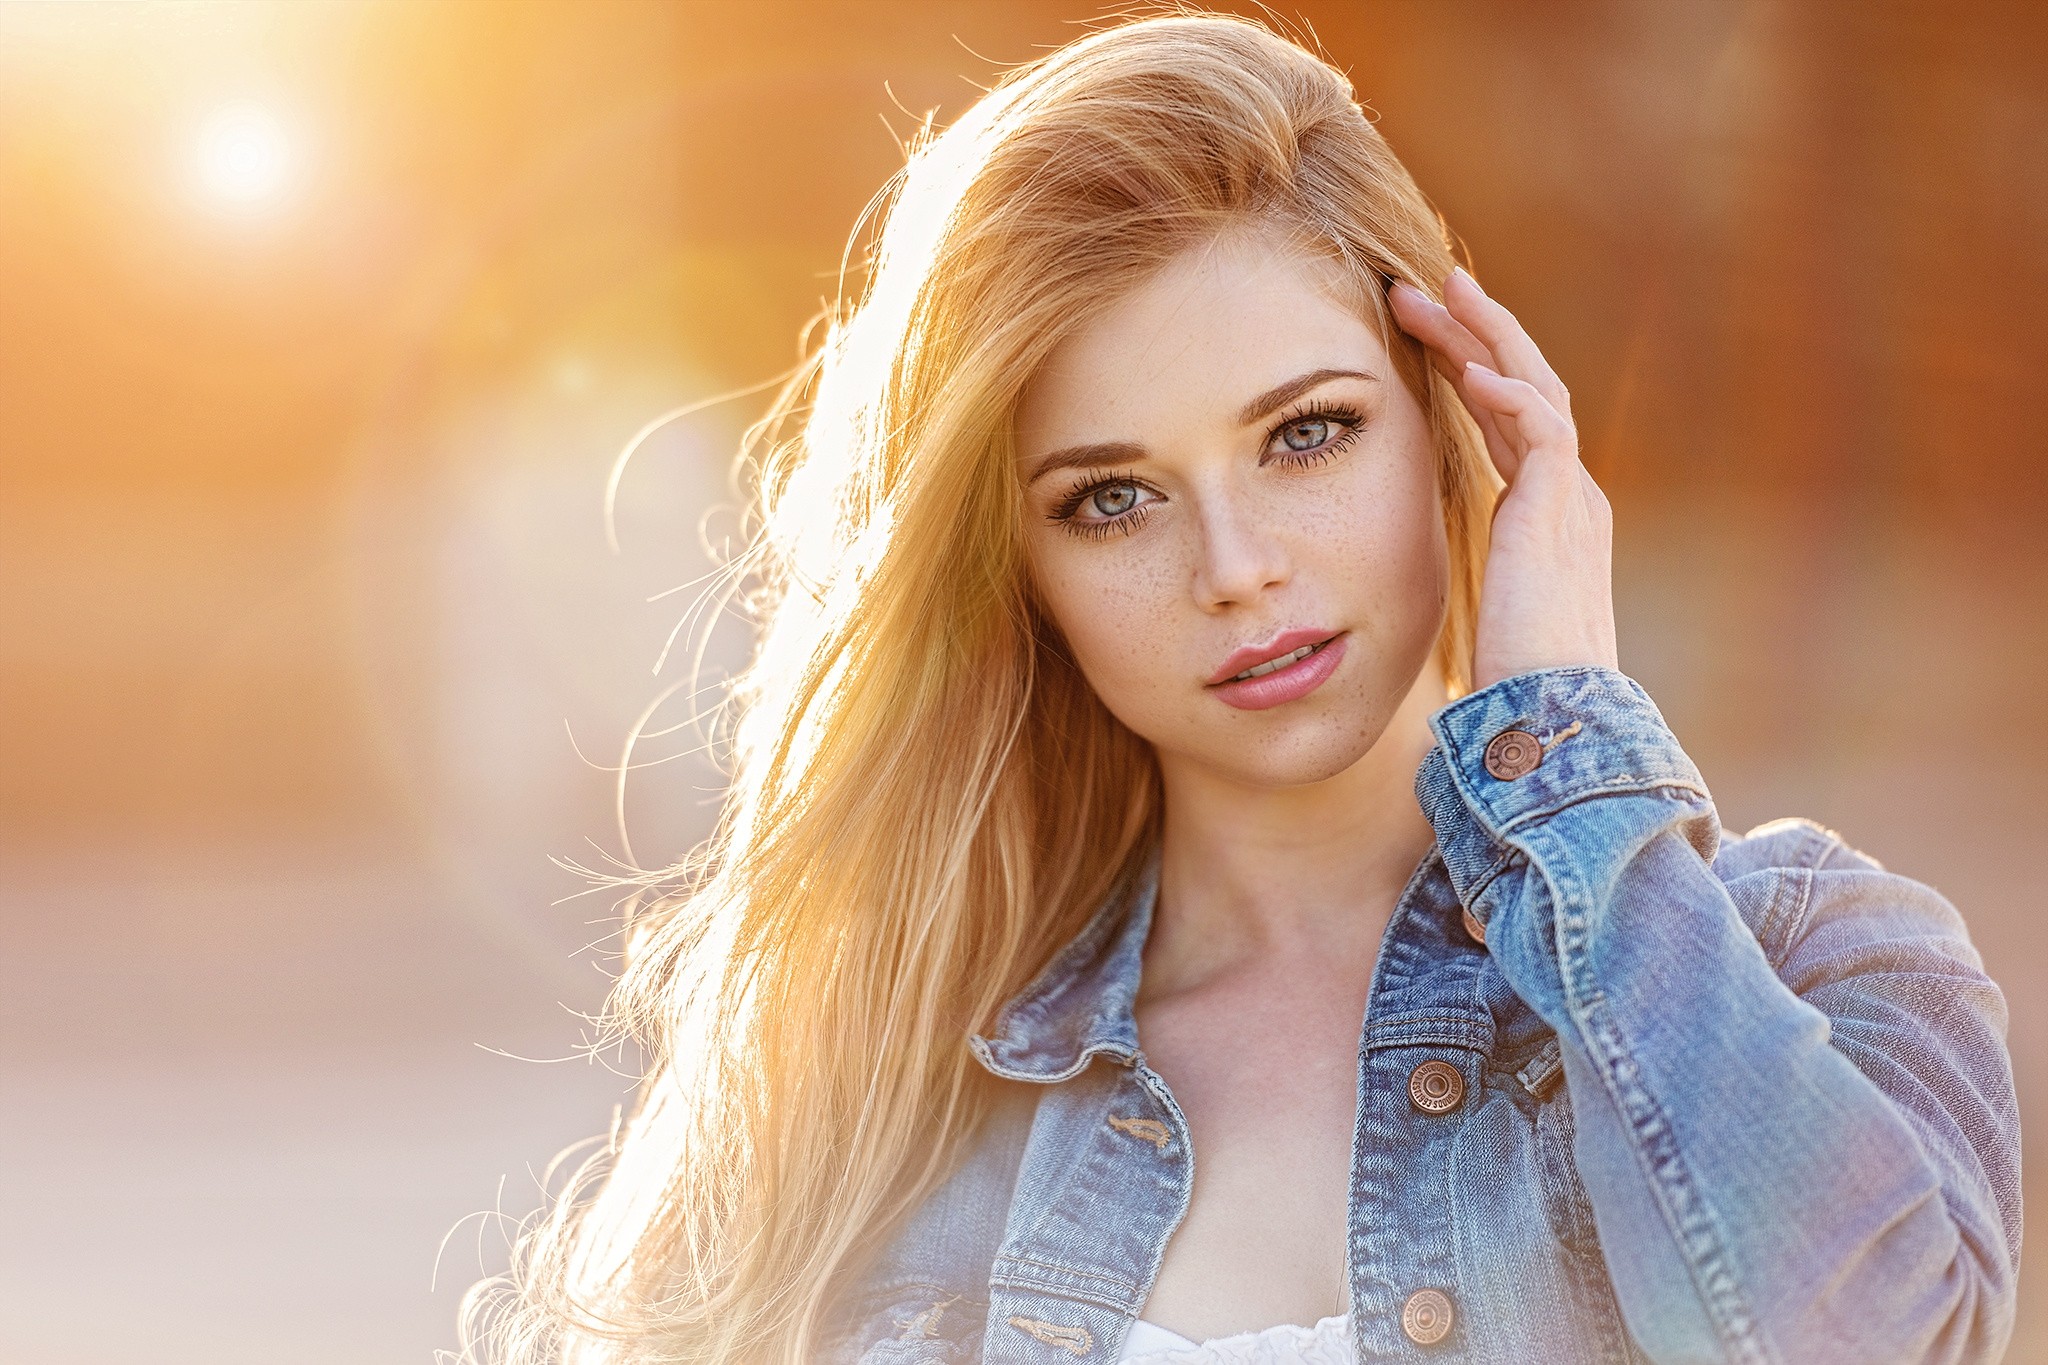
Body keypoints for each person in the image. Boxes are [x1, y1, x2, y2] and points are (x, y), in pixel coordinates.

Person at [460, 12, 2022, 1364]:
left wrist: (1565, 744)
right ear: (1021, 573)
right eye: (1112, 498)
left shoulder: (1819, 964)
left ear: (1450, 413)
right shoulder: (877, 1085)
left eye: (1305, 434)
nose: (1235, 566)